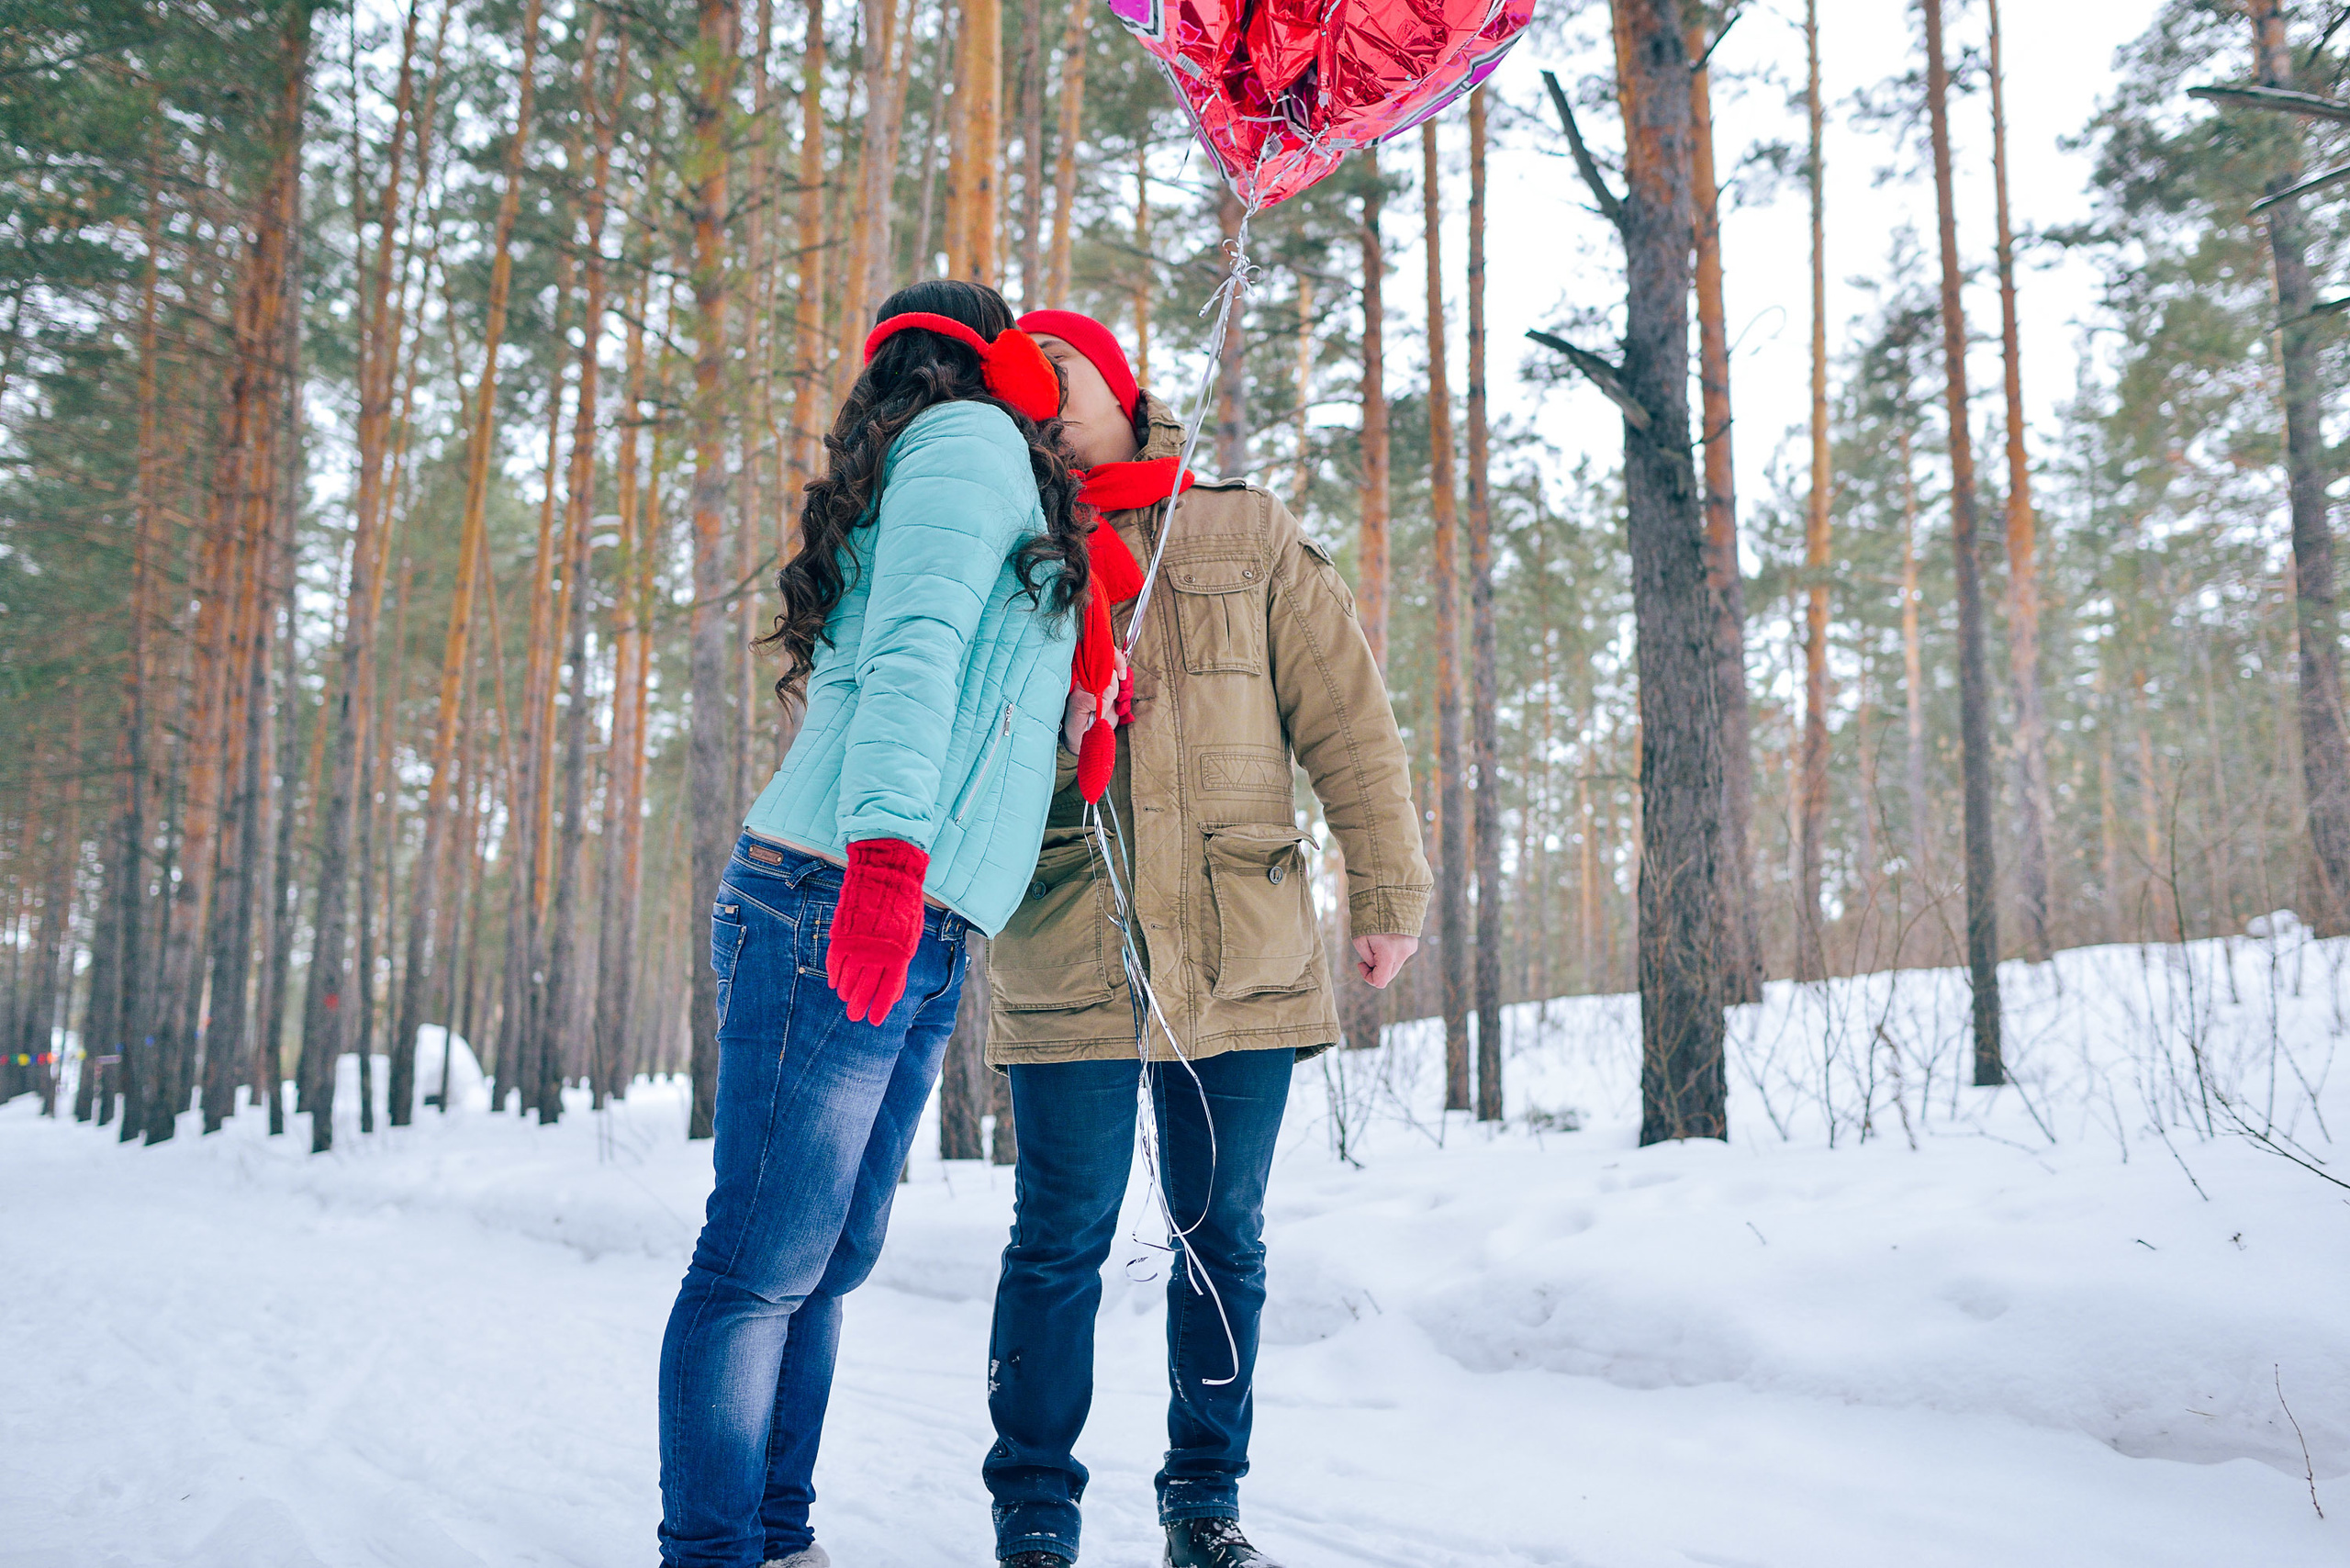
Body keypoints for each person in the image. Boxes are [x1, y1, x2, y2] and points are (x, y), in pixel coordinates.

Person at [979, 309, 1432, 1568]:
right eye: (1017, 384)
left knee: (1220, 1234)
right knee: (1057, 1241)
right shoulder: (1005, 540)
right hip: (1064, 934)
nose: (1040, 394)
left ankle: (1204, 1504)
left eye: (1059, 368)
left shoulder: (1239, 528)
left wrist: (1387, 887)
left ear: (1122, 385)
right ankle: (1034, 1515)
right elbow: (966, 739)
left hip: (1241, 943)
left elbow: (1346, 716)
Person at [657, 278, 1087, 1568]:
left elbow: (976, 683)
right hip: (846, 888)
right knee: (760, 1261)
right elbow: (913, 652)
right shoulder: (969, 442)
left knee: (826, 1256)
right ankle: (716, 1551)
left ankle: (777, 1537)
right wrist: (890, 859)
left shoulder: (956, 460)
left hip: (914, 908)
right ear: (992, 362)